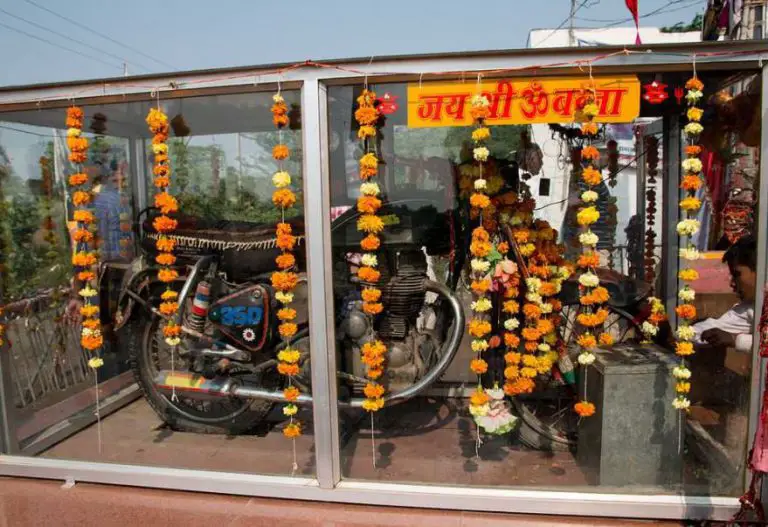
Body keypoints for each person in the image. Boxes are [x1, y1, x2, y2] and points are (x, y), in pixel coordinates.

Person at [694, 235, 757, 351]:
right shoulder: (750, 308)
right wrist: (680, 333)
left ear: (760, 270)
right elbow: (708, 329)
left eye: (737, 274)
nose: (732, 283)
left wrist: (737, 340)